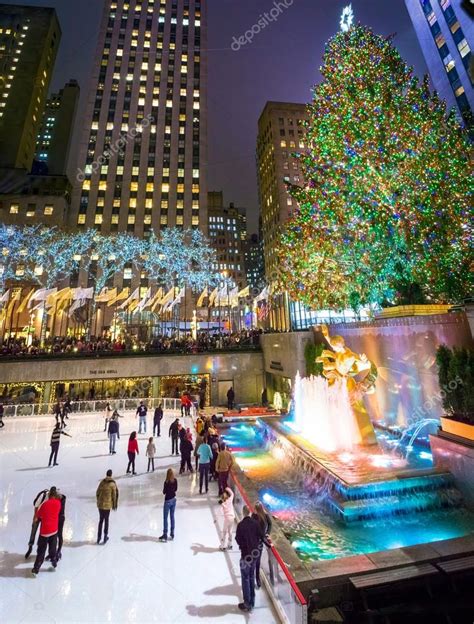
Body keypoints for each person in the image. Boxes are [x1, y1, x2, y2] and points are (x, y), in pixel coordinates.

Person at [235, 506, 263, 612]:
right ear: (250, 512)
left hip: (245, 556)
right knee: (251, 576)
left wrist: (243, 546)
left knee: (245, 579)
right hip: (254, 556)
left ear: (243, 513)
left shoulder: (240, 525)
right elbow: (261, 535)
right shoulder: (255, 523)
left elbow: (238, 539)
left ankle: (247, 603)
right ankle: (252, 601)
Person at [31, 487, 62, 576]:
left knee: (41, 551)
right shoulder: (58, 503)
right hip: (54, 531)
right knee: (52, 549)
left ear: (49, 495)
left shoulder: (44, 505)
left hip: (44, 532)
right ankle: (54, 562)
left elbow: (38, 517)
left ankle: (36, 569)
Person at [252, 501, 273, 589]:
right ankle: (256, 578)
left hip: (257, 541)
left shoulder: (261, 516)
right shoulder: (256, 516)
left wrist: (267, 533)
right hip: (257, 541)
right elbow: (269, 524)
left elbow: (270, 524)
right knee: (256, 560)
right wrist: (268, 543)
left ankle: (256, 578)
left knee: (255, 560)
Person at [96, 469, 119, 544]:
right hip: (107, 505)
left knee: (100, 521)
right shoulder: (112, 484)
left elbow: (97, 492)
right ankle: (105, 536)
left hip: (100, 505)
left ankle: (98, 537)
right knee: (106, 520)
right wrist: (114, 504)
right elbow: (114, 495)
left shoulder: (102, 482)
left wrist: (99, 500)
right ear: (111, 475)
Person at [25, 488, 49, 559]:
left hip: (45, 517)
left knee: (42, 534)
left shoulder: (53, 499)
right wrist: (35, 516)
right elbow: (36, 506)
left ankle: (39, 549)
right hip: (38, 515)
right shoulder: (43, 496)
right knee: (33, 531)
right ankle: (30, 547)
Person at [159, 468, 177, 542]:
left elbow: (164, 492)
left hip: (167, 501)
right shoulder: (175, 481)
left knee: (165, 518)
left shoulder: (166, 482)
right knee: (172, 516)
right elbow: (176, 489)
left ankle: (165, 534)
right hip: (174, 500)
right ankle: (172, 533)